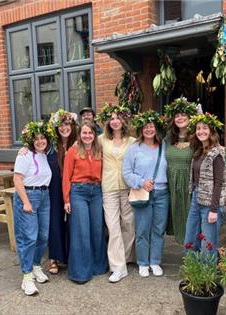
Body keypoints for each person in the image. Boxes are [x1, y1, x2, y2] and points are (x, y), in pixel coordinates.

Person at [19, 109, 78, 275]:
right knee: (54, 222)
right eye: (61, 125)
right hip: (52, 188)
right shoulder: (52, 145)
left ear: (72, 126)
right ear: (56, 128)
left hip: (74, 188)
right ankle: (54, 258)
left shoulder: (77, 142)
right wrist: (24, 148)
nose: (64, 128)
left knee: (73, 222)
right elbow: (36, 148)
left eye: (67, 124)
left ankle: (70, 256)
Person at [123, 110, 169, 278]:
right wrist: (141, 182)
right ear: (141, 129)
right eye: (146, 127)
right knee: (142, 229)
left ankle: (155, 261)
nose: (149, 129)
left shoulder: (164, 147)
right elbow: (127, 172)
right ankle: (143, 262)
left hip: (162, 193)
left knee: (158, 229)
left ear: (157, 129)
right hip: (142, 193)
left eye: (152, 126)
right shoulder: (134, 148)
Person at [62, 121, 108, 283]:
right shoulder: (73, 151)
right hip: (78, 192)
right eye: (84, 133)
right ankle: (80, 272)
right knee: (81, 231)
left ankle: (98, 267)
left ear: (94, 135)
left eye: (90, 133)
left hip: (96, 192)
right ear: (79, 135)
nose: (87, 136)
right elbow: (66, 176)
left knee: (97, 230)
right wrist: (66, 199)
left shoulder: (99, 150)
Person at [95, 102, 136, 283]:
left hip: (128, 187)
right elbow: (80, 143)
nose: (114, 121)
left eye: (118, 117)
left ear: (124, 120)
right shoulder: (101, 139)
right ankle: (118, 268)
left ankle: (125, 258)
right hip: (109, 188)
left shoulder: (133, 141)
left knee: (129, 225)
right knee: (113, 227)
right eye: (111, 118)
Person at [13, 120, 53, 295]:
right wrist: (26, 202)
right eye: (36, 138)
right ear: (30, 140)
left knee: (43, 235)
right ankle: (26, 276)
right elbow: (17, 180)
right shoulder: (24, 155)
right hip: (28, 196)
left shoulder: (45, 155)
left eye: (43, 138)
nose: (40, 141)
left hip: (45, 196)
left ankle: (36, 266)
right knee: (29, 237)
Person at [183, 112, 226, 258]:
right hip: (196, 200)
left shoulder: (217, 153)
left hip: (210, 204)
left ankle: (207, 278)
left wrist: (214, 209)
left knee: (208, 244)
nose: (201, 131)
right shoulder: (198, 151)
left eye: (205, 128)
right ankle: (192, 275)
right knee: (190, 239)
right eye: (198, 129)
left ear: (212, 131)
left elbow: (218, 183)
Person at [163, 97, 198, 246]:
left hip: (189, 187)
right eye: (177, 115)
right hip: (172, 186)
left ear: (190, 117)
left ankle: (192, 252)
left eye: (184, 115)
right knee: (177, 219)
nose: (180, 118)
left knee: (191, 222)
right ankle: (185, 252)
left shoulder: (198, 136)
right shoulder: (168, 138)